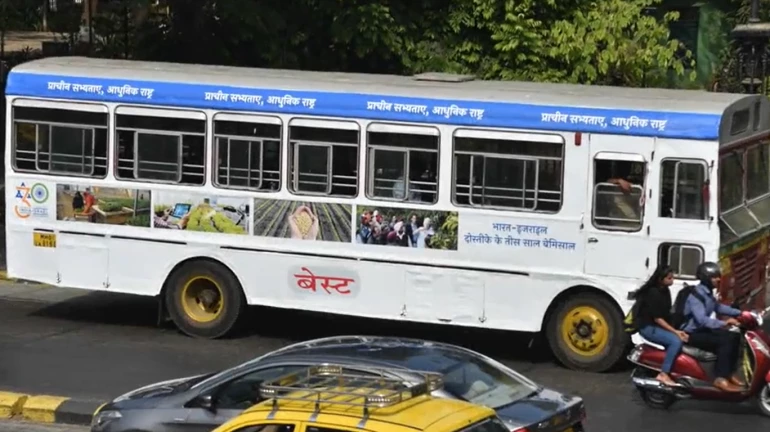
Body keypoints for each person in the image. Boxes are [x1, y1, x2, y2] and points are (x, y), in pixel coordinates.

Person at [681, 261, 744, 392]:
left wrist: (741, 313)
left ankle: (729, 372)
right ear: (706, 278)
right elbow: (702, 320)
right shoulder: (696, 295)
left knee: (734, 336)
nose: (719, 279)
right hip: (691, 333)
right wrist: (724, 323)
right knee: (725, 341)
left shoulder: (707, 293)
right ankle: (720, 378)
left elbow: (717, 307)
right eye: (714, 277)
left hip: (701, 330)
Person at [636, 265, 687, 386]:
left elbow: (667, 313)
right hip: (648, 328)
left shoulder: (665, 291)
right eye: (669, 278)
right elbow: (658, 318)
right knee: (675, 341)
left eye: (672, 277)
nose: (672, 280)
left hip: (658, 325)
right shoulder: (653, 293)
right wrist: (675, 332)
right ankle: (664, 374)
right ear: (661, 279)